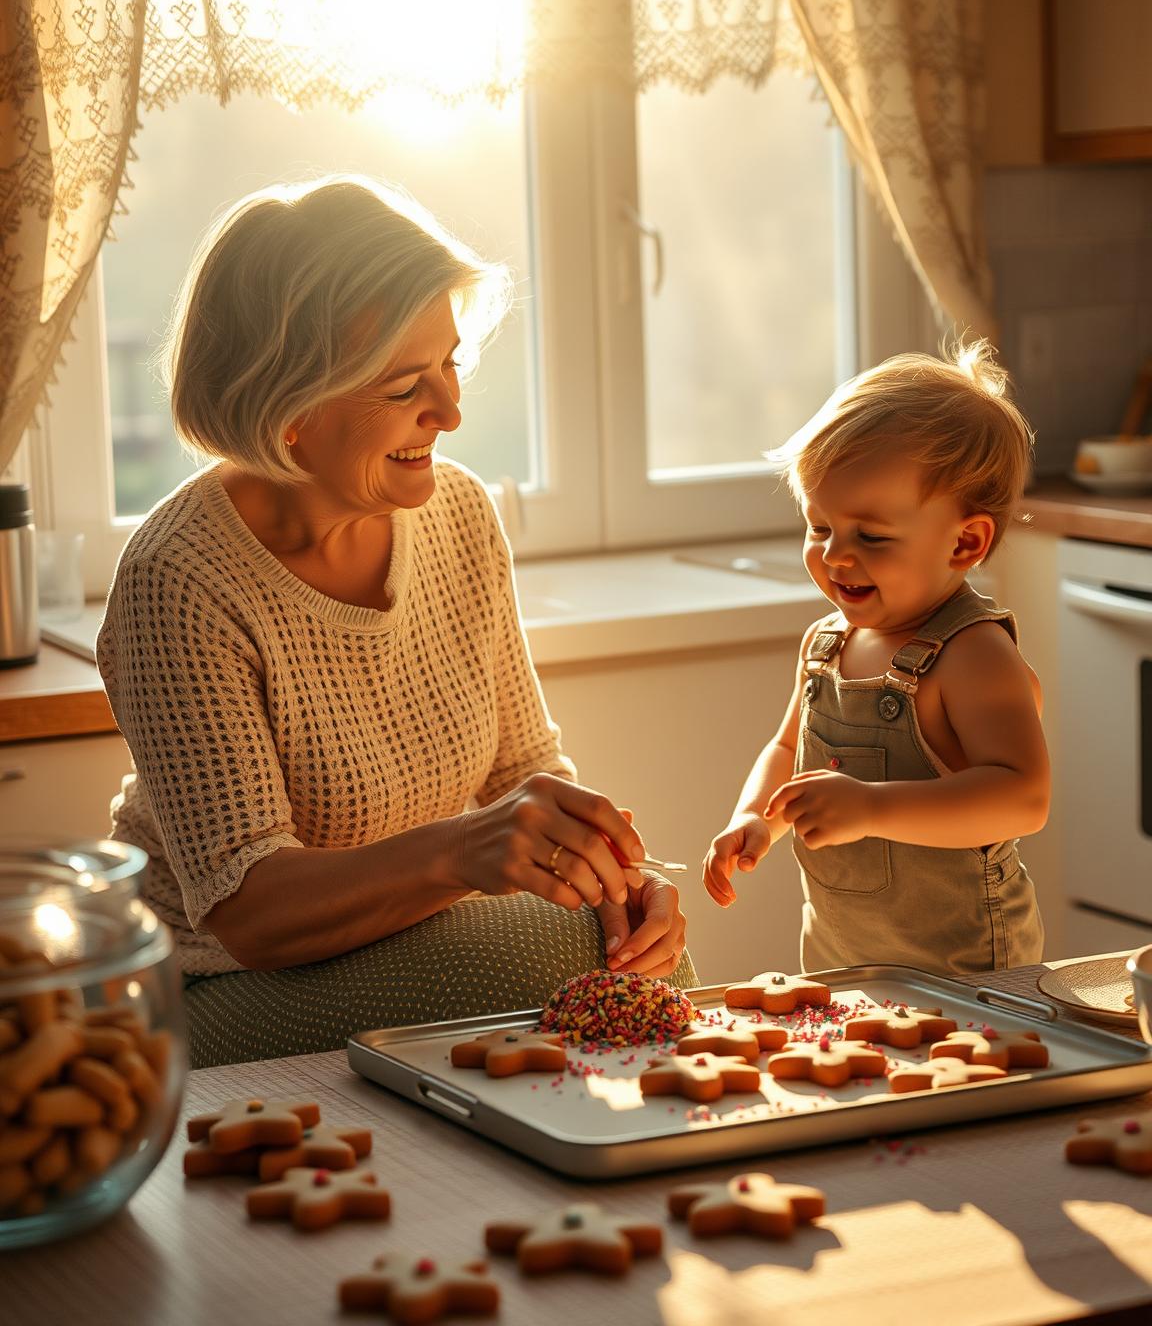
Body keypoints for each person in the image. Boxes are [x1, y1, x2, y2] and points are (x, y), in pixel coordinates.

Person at [96, 175, 693, 1068]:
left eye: (451, 363)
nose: (451, 411)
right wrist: (462, 854)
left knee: (630, 960)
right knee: (553, 968)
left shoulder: (457, 514)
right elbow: (251, 913)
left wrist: (611, 881)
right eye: (409, 384)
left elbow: (521, 771)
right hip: (209, 987)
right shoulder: (177, 582)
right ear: (290, 408)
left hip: (389, 937)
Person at [702, 343, 1048, 976]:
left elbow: (1022, 797)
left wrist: (871, 807)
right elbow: (786, 752)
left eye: (872, 536)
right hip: (841, 955)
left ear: (965, 542)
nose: (835, 555)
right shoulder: (825, 645)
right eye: (819, 527)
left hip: (967, 965)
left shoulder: (974, 655)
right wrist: (754, 817)